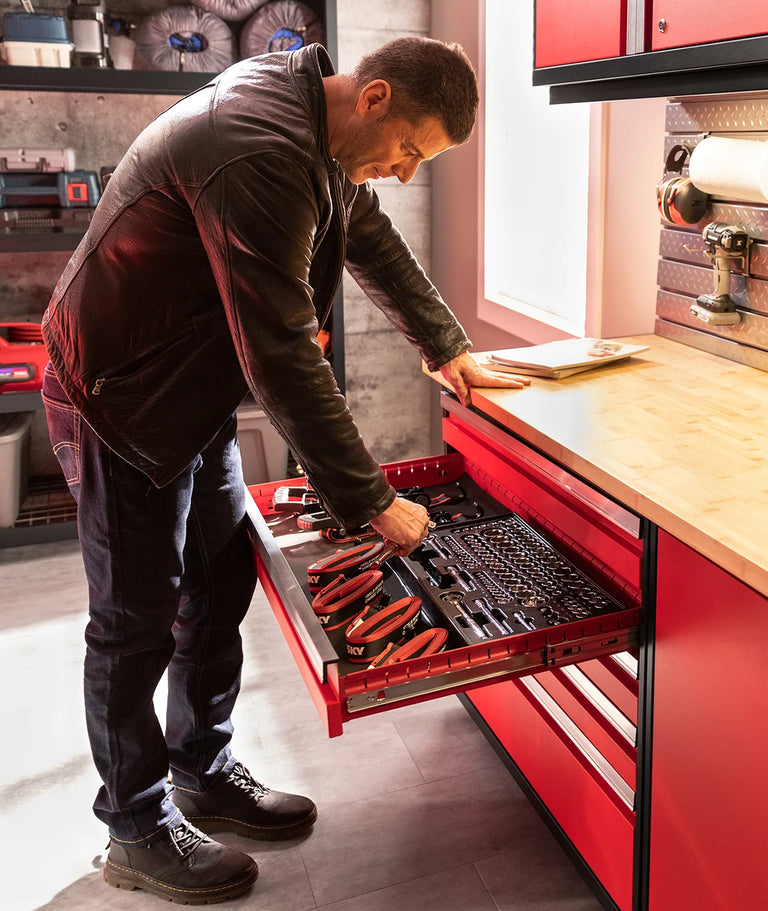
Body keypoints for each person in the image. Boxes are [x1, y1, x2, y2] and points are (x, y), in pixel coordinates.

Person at [39, 36, 525, 904]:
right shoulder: (259, 146)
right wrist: (371, 499)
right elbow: (282, 350)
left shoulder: (321, 127)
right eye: (412, 150)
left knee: (218, 586)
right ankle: (135, 827)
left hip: (186, 389)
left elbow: (368, 236)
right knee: (134, 623)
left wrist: (448, 346)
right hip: (120, 397)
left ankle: (202, 769)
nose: (408, 173)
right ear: (374, 98)